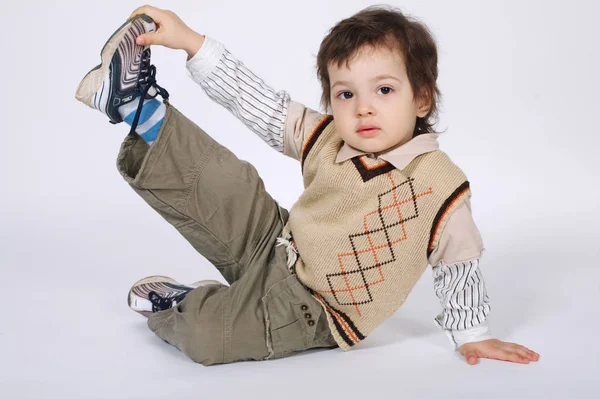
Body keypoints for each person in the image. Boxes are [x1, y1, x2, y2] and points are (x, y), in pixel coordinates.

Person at [75, 5, 540, 366]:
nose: (363, 109)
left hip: (313, 312)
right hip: (276, 242)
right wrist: (189, 41)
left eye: (384, 90)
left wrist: (474, 336)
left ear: (420, 97)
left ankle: (183, 304)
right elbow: (256, 102)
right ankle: (137, 105)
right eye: (345, 94)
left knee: (205, 339)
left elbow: (459, 264)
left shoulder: (441, 186)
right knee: (223, 180)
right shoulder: (329, 137)